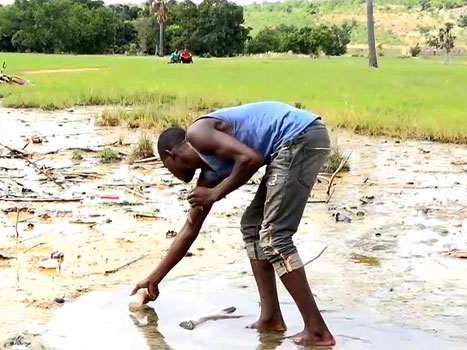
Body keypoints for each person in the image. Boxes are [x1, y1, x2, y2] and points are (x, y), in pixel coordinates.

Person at [131, 101, 335, 346]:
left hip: (300, 136)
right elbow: (190, 229)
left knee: (275, 236)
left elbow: (250, 158)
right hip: (292, 143)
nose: (172, 174)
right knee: (252, 227)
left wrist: (215, 193)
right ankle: (271, 319)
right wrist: (154, 278)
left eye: (167, 168)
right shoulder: (210, 173)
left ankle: (318, 332)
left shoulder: (198, 134)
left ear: (170, 155)